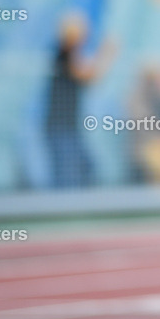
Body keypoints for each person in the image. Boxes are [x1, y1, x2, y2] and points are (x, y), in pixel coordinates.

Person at [44, 13, 116, 188]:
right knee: (66, 173)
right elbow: (87, 76)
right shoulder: (64, 53)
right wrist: (106, 54)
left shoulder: (69, 54)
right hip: (59, 125)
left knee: (84, 167)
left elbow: (89, 76)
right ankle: (64, 209)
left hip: (69, 125)